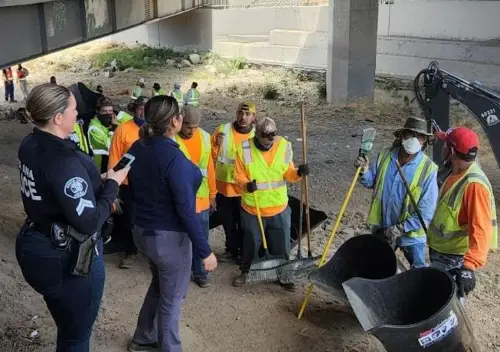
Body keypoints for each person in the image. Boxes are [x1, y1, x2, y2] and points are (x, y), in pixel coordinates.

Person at [15, 83, 129, 351]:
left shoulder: (30, 143)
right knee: (76, 336)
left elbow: (55, 188)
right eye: (74, 110)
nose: (78, 115)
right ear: (57, 118)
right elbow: (89, 221)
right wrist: (112, 184)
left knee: (66, 323)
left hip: (35, 242)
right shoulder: (63, 160)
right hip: (65, 255)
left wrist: (98, 179)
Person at [126, 95, 217, 352]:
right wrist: (205, 251)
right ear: (175, 122)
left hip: (142, 231)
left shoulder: (137, 147)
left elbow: (127, 184)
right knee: (173, 298)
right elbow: (187, 212)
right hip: (168, 239)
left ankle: (143, 337)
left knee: (159, 285)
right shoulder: (176, 162)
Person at [233, 117, 309, 289]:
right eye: (265, 139)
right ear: (257, 135)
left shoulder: (283, 145)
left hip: (278, 207)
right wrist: (246, 184)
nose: (269, 142)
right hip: (253, 207)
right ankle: (246, 272)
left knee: (281, 243)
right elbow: (237, 176)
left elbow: (288, 173)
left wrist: (298, 173)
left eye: (272, 138)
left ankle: (283, 274)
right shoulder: (244, 148)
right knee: (251, 242)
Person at [355, 117, 438, 269]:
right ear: (401, 136)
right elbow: (371, 182)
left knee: (418, 274)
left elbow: (426, 212)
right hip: (383, 227)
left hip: (411, 236)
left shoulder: (428, 169)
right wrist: (364, 171)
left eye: (419, 136)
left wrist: (399, 229)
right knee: (376, 268)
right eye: (410, 134)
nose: (414, 139)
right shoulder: (386, 155)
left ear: (425, 141)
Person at [428, 127, 497, 298]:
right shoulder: (455, 173)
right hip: (443, 253)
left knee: (446, 304)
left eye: (445, 145)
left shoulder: (474, 185)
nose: (442, 148)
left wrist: (469, 266)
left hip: (454, 259)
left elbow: (481, 229)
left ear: (451, 151)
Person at [174, 106, 216, 288]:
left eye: (195, 127)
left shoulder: (205, 137)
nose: (192, 131)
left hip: (202, 199)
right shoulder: (172, 140)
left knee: (201, 238)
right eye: (188, 126)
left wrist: (213, 194)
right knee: (180, 239)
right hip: (181, 199)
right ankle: (181, 271)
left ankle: (199, 273)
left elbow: (210, 169)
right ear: (180, 121)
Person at [211, 102, 256, 263]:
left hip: (245, 189)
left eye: (247, 114)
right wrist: (216, 143)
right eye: (240, 113)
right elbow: (210, 155)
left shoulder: (256, 136)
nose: (243, 117)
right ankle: (231, 250)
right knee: (228, 223)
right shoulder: (223, 130)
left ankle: (244, 254)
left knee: (245, 224)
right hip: (224, 187)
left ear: (253, 117)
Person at [107, 97, 147, 266]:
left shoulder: (156, 130)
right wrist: (112, 185)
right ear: (134, 109)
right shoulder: (123, 129)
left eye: (147, 108)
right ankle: (130, 251)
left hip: (150, 185)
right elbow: (115, 158)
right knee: (128, 219)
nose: (143, 111)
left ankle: (150, 251)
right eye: (140, 108)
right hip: (128, 185)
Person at [87, 96, 118, 173]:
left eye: (110, 111)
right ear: (98, 111)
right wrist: (114, 129)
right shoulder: (93, 128)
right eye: (104, 111)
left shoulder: (112, 121)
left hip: (112, 164)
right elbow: (111, 145)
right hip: (101, 168)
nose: (108, 114)